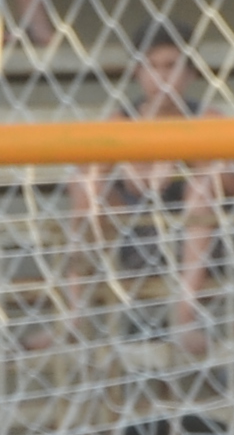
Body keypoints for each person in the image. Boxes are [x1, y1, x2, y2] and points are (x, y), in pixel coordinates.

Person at [68, 26, 225, 352]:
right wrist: (128, 166)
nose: (162, 76)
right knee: (83, 183)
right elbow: (88, 175)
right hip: (134, 232)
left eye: (171, 66)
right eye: (152, 66)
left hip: (194, 237)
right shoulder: (121, 122)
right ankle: (74, 313)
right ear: (138, 72)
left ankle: (184, 315)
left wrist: (182, 160)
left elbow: (233, 181)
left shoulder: (206, 118)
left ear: (190, 72)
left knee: (203, 186)